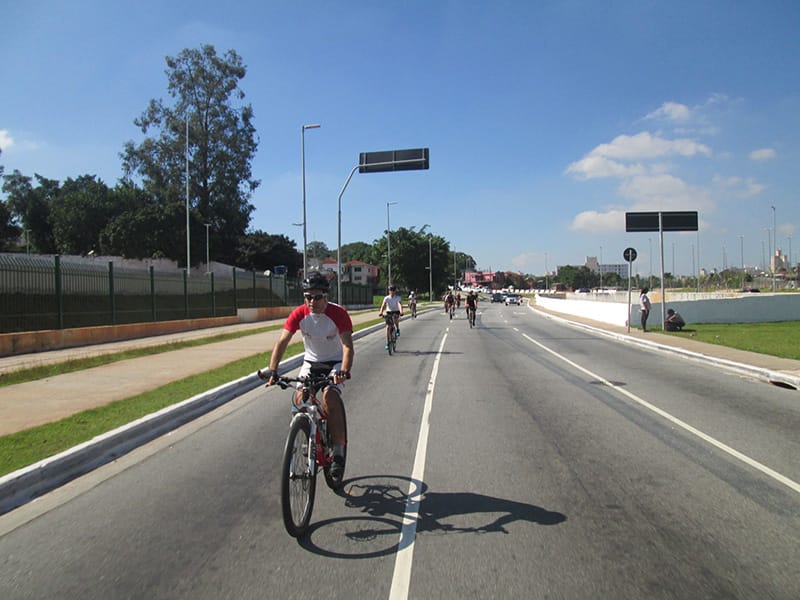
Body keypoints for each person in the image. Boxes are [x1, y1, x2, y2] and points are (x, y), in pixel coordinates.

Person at [265, 272, 353, 479]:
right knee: (300, 399)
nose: (312, 301)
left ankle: (338, 450)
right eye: (307, 297)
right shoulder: (299, 314)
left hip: (335, 362)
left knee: (329, 397)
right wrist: (273, 370)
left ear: (326, 296)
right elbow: (282, 342)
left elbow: (348, 346)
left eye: (317, 296)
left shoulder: (338, 313)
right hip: (311, 363)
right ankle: (307, 433)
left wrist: (344, 371)